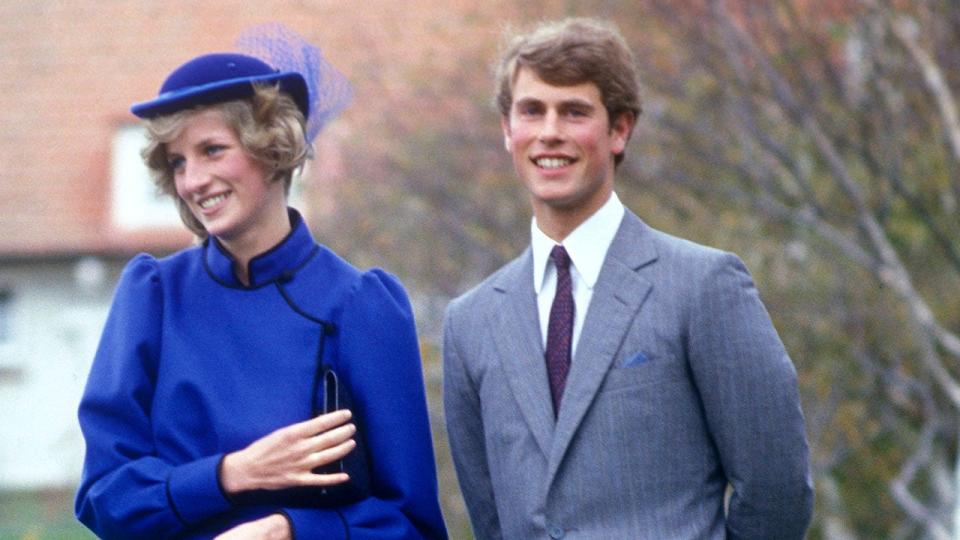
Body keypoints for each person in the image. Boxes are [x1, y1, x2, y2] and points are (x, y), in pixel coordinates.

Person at [442, 17, 813, 539]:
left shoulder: (703, 287)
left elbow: (777, 490)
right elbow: (491, 519)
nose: (550, 132)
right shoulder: (471, 322)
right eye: (532, 111)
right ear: (507, 130)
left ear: (619, 129)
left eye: (574, 112)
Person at [75, 25, 447, 540]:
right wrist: (232, 474)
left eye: (212, 150)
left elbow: (412, 525)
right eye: (178, 162)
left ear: (272, 149)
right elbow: (103, 497)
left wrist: (288, 530)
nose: (193, 180)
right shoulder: (153, 296)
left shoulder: (360, 305)